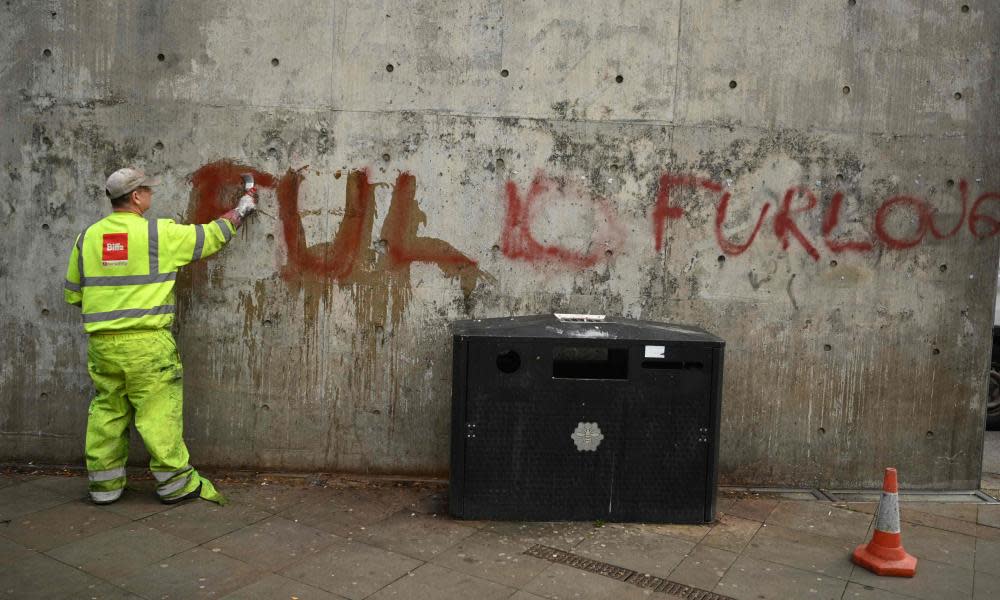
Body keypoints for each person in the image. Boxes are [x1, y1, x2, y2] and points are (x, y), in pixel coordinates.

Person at [63, 167, 256, 505]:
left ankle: (104, 487)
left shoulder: (88, 237)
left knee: (107, 411)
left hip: (102, 345)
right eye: (148, 190)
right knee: (157, 414)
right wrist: (240, 210)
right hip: (147, 345)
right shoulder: (157, 234)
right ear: (136, 197)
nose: (151, 194)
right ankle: (175, 484)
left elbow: (74, 294)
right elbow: (210, 236)